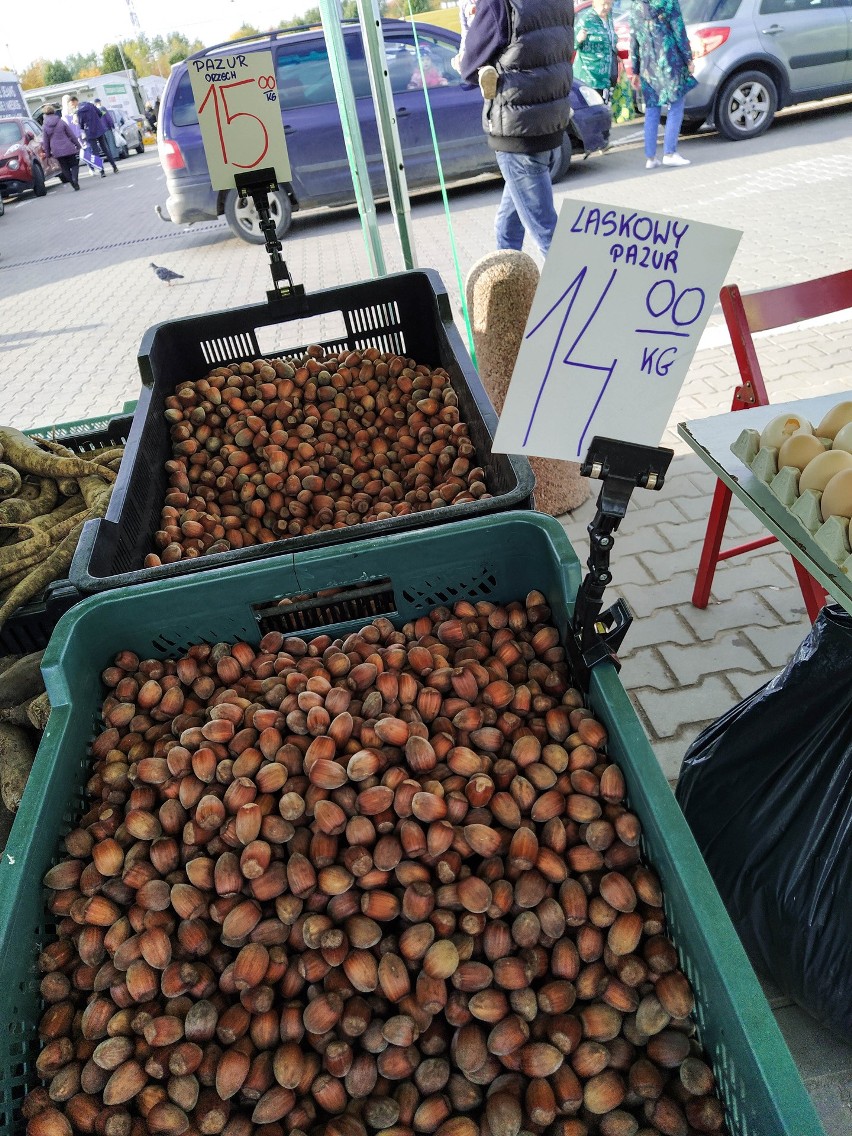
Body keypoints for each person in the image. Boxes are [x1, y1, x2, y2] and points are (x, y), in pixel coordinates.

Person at [461, 0, 573, 259]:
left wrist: (471, 24)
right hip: (549, 119)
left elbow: (470, 64)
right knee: (507, 227)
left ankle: (575, 296)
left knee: (547, 235)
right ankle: (510, 293)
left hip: (517, 127)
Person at [630, 0, 696, 169]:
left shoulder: (636, 6)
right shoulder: (668, 2)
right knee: (676, 105)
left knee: (652, 109)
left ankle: (651, 158)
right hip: (669, 61)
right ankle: (670, 153)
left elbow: (634, 40)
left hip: (647, 66)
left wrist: (635, 70)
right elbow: (679, 31)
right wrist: (688, 58)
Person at [574, 0, 618, 104]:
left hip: (605, 79)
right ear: (595, 3)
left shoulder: (609, 18)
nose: (606, 7)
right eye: (603, 4)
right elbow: (569, 44)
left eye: (609, 4)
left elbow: (611, 42)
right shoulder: (586, 20)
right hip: (589, 79)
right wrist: (578, 40)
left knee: (604, 112)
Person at [69, 95, 119, 174]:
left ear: (75, 101)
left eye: (72, 104)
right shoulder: (90, 105)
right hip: (99, 129)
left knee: (95, 152)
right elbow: (99, 113)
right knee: (105, 149)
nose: (72, 106)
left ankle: (101, 171)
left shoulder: (79, 111)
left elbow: (81, 123)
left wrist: (82, 126)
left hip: (89, 132)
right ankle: (114, 166)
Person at [41, 104, 81, 191]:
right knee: (74, 165)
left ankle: (73, 183)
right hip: (68, 147)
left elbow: (45, 141)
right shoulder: (61, 122)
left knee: (64, 168)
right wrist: (78, 145)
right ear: (54, 112)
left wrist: (48, 153)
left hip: (56, 151)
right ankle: (75, 179)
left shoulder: (45, 126)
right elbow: (71, 134)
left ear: (45, 114)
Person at [94, 98, 119, 165]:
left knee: (105, 145)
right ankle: (115, 156)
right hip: (106, 128)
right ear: (99, 102)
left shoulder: (94, 110)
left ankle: (109, 157)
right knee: (111, 142)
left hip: (100, 130)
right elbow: (108, 117)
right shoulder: (102, 108)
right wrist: (112, 125)